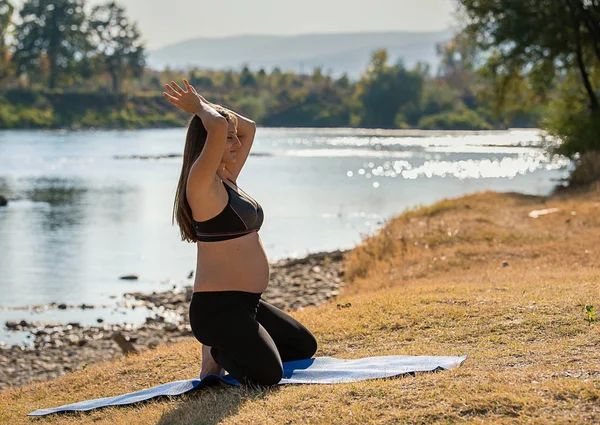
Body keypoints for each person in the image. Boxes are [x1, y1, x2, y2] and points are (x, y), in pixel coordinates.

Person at [163, 79, 318, 387]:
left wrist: (206, 103)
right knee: (268, 375)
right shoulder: (201, 182)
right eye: (228, 139)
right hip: (217, 311)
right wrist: (201, 110)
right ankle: (218, 351)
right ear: (210, 141)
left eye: (234, 139)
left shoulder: (228, 176)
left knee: (303, 347)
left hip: (248, 306)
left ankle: (239, 343)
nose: (236, 143)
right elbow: (218, 126)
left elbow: (250, 127)